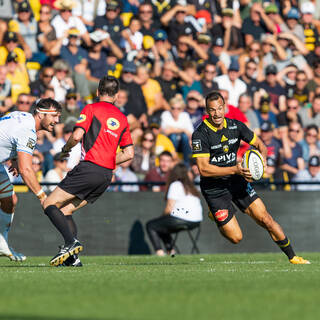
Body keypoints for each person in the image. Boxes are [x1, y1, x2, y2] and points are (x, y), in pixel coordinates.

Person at [191, 91, 310, 264]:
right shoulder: (200, 134)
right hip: (215, 189)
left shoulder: (236, 126)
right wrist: (235, 169)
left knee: (266, 219)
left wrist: (262, 163)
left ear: (225, 107)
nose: (216, 113)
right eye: (212, 110)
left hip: (237, 182)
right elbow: (204, 169)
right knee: (236, 238)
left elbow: (260, 144)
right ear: (207, 111)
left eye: (219, 108)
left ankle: (293, 257)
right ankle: (215, 214)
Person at [42, 76, 134, 267]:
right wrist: (108, 160)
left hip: (89, 168)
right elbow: (129, 153)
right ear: (117, 96)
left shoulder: (91, 108)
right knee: (66, 210)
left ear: (98, 92)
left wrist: (66, 149)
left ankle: (70, 243)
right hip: (106, 176)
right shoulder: (122, 118)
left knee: (49, 203)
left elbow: (76, 135)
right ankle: (73, 259)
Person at [0, 98, 61, 261]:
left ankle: (2, 243)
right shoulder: (28, 131)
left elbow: (5, 132)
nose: (57, 121)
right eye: (54, 116)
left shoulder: (22, 115)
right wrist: (43, 197)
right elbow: (26, 170)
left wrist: (12, 158)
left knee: (10, 200)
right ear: (41, 115)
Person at [146, 163, 203, 256]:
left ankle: (160, 252)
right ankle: (171, 251)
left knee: (151, 225)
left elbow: (169, 209)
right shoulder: (191, 187)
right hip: (196, 221)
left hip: (181, 219)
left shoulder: (176, 185)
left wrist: (162, 217)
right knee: (161, 225)